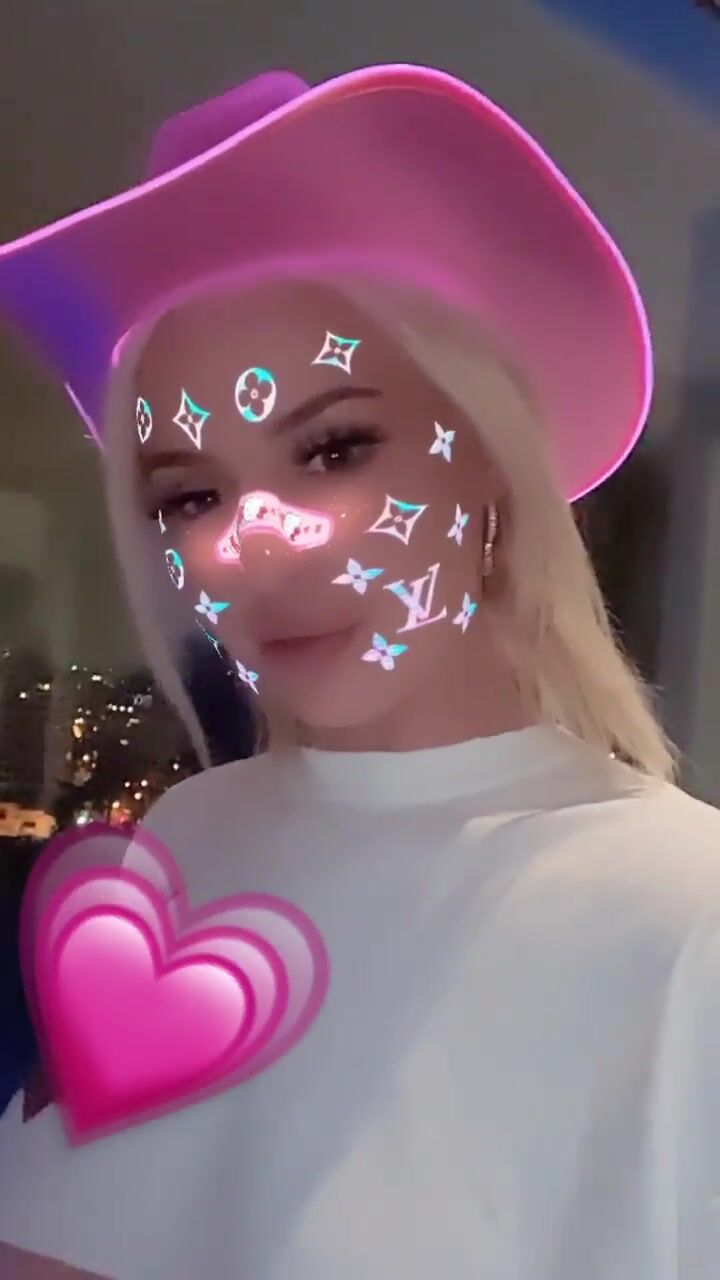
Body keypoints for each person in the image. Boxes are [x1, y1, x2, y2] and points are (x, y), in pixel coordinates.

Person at [0, 62, 719, 1280]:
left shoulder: (684, 912)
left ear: (491, 456)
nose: (254, 540)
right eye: (190, 493)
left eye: (334, 447)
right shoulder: (186, 838)